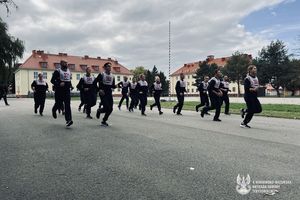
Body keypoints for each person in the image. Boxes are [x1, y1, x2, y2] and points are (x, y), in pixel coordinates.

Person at [51, 60, 73, 127]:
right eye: (64, 63)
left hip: (67, 91)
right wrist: (59, 84)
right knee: (58, 103)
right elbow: (52, 80)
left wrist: (71, 86)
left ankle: (68, 120)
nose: (66, 64)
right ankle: (54, 110)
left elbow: (68, 80)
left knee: (67, 105)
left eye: (66, 63)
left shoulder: (69, 71)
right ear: (61, 64)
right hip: (59, 91)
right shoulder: (57, 71)